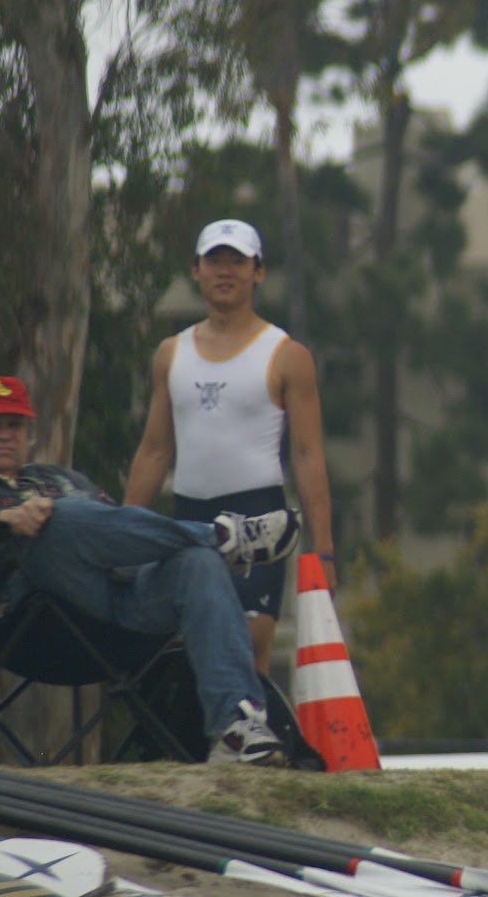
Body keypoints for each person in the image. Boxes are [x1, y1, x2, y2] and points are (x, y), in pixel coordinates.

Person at [0, 374, 300, 764]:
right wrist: (5, 519)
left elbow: (119, 530)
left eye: (15, 424)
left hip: (111, 611)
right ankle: (223, 536)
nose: (5, 434)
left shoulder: (57, 478)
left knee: (197, 563)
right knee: (52, 518)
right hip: (23, 619)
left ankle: (234, 728)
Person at [124, 218, 334, 676]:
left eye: (236, 261)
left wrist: (323, 549)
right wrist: (123, 533)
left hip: (258, 515)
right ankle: (195, 744)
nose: (225, 271)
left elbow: (307, 455)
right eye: (214, 261)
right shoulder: (171, 354)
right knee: (186, 642)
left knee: (248, 641)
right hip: (189, 516)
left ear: (258, 272)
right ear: (195, 271)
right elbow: (155, 451)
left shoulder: (287, 355)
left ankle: (251, 742)